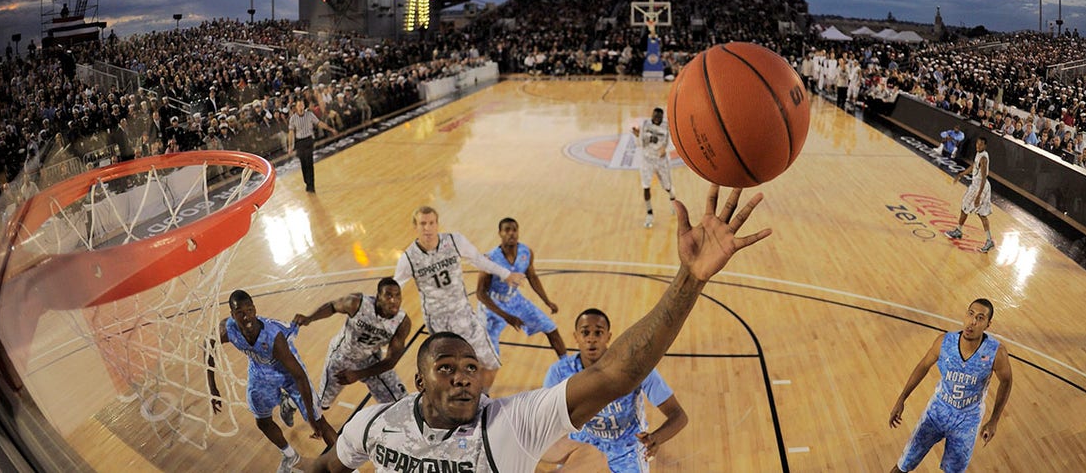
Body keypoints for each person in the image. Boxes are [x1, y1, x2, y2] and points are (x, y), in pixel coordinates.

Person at [308, 186, 771, 473]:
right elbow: (327, 468)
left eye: (470, 367)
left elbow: (616, 375)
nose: (463, 375)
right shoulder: (375, 424)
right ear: (418, 382)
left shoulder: (510, 424)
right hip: (446, 316)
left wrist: (689, 277)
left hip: (468, 317)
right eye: (447, 368)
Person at [394, 205, 527, 390]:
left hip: (464, 316)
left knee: (490, 364)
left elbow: (479, 260)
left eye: (431, 223)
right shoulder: (408, 258)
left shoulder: (454, 241)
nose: (427, 228)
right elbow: (394, 288)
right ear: (415, 227)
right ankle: (457, 409)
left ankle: (481, 401)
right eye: (423, 224)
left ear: (437, 224)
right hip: (439, 325)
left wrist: (506, 274)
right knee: (450, 374)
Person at [542, 308, 687, 472]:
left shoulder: (635, 367)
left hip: (627, 449)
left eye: (598, 333)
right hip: (581, 444)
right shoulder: (560, 372)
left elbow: (679, 415)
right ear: (576, 337)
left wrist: (656, 438)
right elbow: (542, 418)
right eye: (585, 332)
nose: (591, 339)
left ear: (608, 337)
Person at [208, 290, 337, 473]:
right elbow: (208, 345)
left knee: (319, 421)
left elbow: (299, 376)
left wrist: (310, 415)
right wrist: (212, 387)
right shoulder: (227, 329)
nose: (246, 317)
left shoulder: (274, 338)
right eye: (240, 313)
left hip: (290, 373)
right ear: (232, 315)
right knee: (262, 421)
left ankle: (349, 466)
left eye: (250, 311)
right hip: (260, 372)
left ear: (255, 309)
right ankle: (291, 456)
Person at [888, 299, 1014, 473]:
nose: (972, 322)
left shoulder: (996, 353)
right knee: (902, 465)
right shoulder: (944, 342)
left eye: (980, 318)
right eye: (970, 314)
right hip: (937, 411)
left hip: (967, 420)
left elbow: (1006, 382)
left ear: (987, 324)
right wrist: (901, 398)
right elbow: (923, 366)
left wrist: (994, 421)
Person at [292, 277, 412, 412]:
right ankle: (292, 402)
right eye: (388, 295)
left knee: (399, 399)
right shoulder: (357, 304)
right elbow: (332, 306)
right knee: (322, 404)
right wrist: (310, 318)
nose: (394, 301)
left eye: (397, 296)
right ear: (378, 297)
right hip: (342, 356)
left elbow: (390, 361)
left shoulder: (402, 323)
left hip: (370, 359)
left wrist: (357, 374)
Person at [475, 217, 567, 360]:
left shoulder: (526, 252)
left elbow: (532, 277)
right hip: (492, 306)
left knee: (551, 328)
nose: (511, 233)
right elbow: (480, 293)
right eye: (507, 230)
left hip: (514, 299)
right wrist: (506, 316)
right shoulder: (490, 259)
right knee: (490, 355)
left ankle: (565, 363)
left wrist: (547, 301)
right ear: (500, 233)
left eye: (514, 230)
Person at [944, 137, 995, 252]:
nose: (978, 146)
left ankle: (988, 241)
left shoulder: (983, 159)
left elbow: (983, 179)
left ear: (985, 146)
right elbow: (973, 167)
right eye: (977, 144)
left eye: (981, 144)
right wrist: (961, 174)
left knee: (980, 214)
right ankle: (959, 230)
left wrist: (978, 196)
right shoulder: (978, 154)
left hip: (980, 188)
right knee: (965, 208)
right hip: (976, 187)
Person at [632, 107, 676, 228]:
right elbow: (639, 143)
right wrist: (636, 135)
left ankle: (673, 202)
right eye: (654, 117)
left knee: (667, 187)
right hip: (647, 160)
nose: (656, 119)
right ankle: (649, 213)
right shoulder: (645, 124)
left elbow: (672, 144)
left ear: (662, 118)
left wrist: (665, 149)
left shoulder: (667, 126)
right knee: (646, 187)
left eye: (658, 117)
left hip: (661, 161)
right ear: (651, 115)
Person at [288, 99, 338, 193]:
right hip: (300, 142)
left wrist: (331, 129)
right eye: (299, 105)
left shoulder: (310, 115)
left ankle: (311, 185)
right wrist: (290, 146)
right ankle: (307, 182)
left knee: (309, 162)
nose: (300, 107)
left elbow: (319, 123)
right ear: (296, 107)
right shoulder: (293, 119)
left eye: (302, 105)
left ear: (304, 106)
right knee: (303, 163)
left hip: (308, 140)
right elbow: (290, 133)